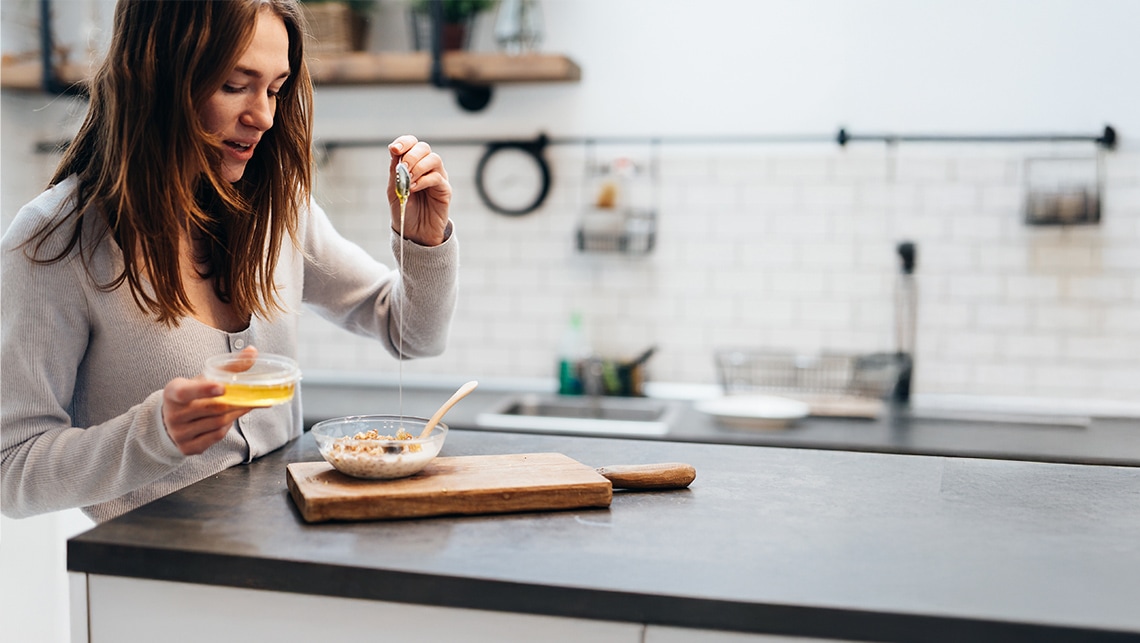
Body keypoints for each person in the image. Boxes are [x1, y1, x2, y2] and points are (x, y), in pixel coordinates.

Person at [1, 0, 458, 523]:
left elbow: (413, 333)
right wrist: (157, 434)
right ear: (157, 76)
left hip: (284, 558)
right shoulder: (54, 240)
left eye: (275, 88)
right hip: (148, 584)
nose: (263, 116)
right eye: (235, 85)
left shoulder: (278, 209)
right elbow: (11, 470)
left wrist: (423, 242)